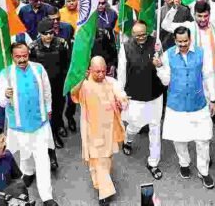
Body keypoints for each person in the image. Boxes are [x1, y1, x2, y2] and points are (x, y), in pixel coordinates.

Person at [0, 43, 59, 206]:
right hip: (19, 126)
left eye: (25, 55)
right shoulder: (6, 74)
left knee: (42, 158)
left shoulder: (38, 69)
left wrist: (49, 108)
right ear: (12, 57)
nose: (22, 59)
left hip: (39, 123)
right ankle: (28, 173)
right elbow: (2, 103)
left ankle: (47, 196)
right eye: (18, 57)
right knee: (25, 154)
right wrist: (5, 94)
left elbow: (47, 91)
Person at [157, 26, 215, 189]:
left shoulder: (201, 52)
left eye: (185, 41)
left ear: (190, 39)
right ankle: (184, 163)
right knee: (179, 139)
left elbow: (209, 75)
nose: (183, 44)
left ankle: (203, 171)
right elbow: (165, 81)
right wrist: (159, 67)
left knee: (203, 139)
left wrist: (213, 99)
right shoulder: (168, 55)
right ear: (175, 40)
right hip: (176, 105)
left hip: (198, 104)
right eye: (179, 41)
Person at [162, 0, 215, 124]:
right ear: (194, 14)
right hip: (193, 76)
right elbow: (165, 25)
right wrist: (174, 8)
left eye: (205, 16)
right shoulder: (189, 27)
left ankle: (205, 134)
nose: (203, 19)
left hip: (212, 76)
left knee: (211, 106)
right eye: (199, 16)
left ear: (209, 14)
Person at [70, 56, 128, 205]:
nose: (101, 75)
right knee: (98, 161)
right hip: (92, 131)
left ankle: (100, 185)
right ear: (89, 70)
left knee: (104, 160)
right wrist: (80, 81)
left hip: (109, 130)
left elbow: (120, 94)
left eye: (103, 71)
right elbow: (74, 95)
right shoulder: (85, 85)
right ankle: (104, 192)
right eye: (97, 72)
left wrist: (122, 101)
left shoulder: (110, 82)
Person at [117, 21, 165, 180]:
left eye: (144, 34)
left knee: (155, 128)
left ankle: (153, 162)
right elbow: (122, 73)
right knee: (134, 126)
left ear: (148, 31)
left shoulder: (156, 43)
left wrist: (160, 64)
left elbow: (164, 67)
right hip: (135, 96)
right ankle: (127, 140)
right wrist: (120, 93)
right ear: (132, 34)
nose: (141, 38)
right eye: (137, 35)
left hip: (155, 94)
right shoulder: (125, 48)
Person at [28, 19, 71, 148]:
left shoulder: (61, 44)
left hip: (59, 83)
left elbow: (66, 63)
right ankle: (52, 135)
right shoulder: (33, 48)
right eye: (45, 33)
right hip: (42, 86)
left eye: (51, 33)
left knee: (58, 108)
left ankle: (58, 126)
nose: (48, 36)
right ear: (39, 34)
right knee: (47, 110)